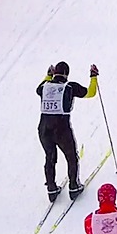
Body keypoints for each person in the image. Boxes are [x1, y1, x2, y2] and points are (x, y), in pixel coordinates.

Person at [37, 62, 99, 201]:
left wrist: (48, 76)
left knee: (50, 157)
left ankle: (51, 189)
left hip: (43, 128)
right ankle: (74, 186)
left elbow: (38, 89)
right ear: (66, 73)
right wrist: (93, 76)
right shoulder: (70, 87)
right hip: (61, 129)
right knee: (71, 157)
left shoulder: (44, 87)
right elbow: (90, 93)